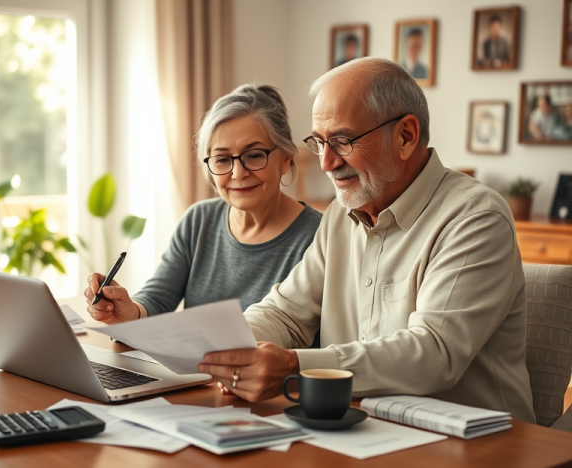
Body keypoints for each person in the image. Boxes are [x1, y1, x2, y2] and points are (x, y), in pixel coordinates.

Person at [198, 57, 536, 424]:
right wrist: (223, 345)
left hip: (472, 444)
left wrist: (294, 366)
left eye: (342, 141)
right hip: (360, 431)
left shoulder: (475, 216)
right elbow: (285, 314)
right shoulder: (339, 217)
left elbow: (435, 353)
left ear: (406, 136)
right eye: (319, 142)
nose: (326, 163)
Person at [84, 85, 322, 331]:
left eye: (254, 155)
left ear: (286, 159)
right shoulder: (198, 220)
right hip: (195, 369)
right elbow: (157, 299)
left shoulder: (320, 236)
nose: (237, 173)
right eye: (222, 159)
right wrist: (128, 312)